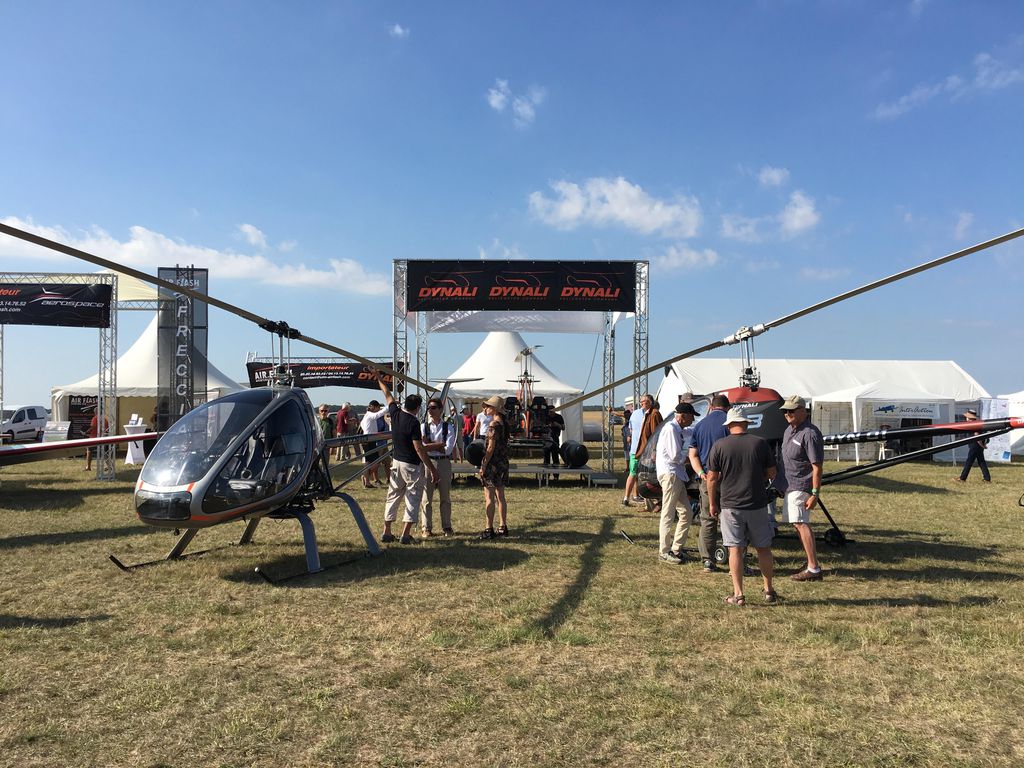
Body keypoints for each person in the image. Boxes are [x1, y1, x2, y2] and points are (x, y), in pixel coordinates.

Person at [706, 408, 779, 606]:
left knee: (735, 549)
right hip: (757, 503)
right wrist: (759, 477)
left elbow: (712, 478)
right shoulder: (760, 443)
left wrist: (712, 502)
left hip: (730, 504)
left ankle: (738, 594)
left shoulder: (719, 445)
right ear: (746, 423)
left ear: (729, 425)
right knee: (763, 548)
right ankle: (769, 590)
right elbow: (772, 473)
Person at [375, 374, 437, 545]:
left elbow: (387, 393)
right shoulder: (413, 423)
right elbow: (419, 448)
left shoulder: (395, 414)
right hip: (411, 466)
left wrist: (378, 377)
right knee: (412, 498)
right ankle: (405, 534)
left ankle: (387, 531)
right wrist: (432, 469)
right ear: (417, 408)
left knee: (393, 496)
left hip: (396, 462)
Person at [779, 395, 826, 582]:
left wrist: (815, 493)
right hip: (790, 485)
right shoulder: (788, 430)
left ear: (803, 411)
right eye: (785, 411)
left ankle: (813, 568)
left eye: (791, 410)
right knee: (796, 523)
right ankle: (810, 563)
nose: (787, 414)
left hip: (801, 485)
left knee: (800, 523)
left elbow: (817, 467)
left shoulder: (810, 433)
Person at [689, 394, 731, 573]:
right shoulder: (730, 424)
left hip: (706, 479)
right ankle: (735, 557)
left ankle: (708, 559)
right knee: (731, 519)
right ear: (728, 408)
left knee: (707, 518)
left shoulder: (700, 426)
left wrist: (701, 473)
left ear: (711, 407)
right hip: (728, 479)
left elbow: (693, 454)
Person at [656, 402, 698, 564]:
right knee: (668, 513)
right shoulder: (671, 429)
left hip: (676, 475)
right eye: (691, 417)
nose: (693, 420)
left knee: (686, 512)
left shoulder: (677, 429)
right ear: (683, 416)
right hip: (671, 475)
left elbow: (690, 431)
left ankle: (676, 549)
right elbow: (675, 456)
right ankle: (664, 551)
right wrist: (692, 459)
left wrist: (704, 427)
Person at [420, 396, 457, 537]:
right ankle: (426, 527)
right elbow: (422, 448)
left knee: (445, 497)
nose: (430, 410)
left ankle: (447, 526)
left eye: (433, 408)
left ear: (441, 410)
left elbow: (448, 449)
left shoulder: (448, 426)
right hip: (428, 462)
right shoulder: (423, 426)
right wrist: (439, 445)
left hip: (443, 462)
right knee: (426, 497)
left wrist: (429, 445)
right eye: (429, 408)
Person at [477, 394, 510, 539]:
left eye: (488, 406)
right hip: (502, 462)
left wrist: (484, 464)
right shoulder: (504, 424)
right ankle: (503, 526)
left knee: (489, 497)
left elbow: (490, 448)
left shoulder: (493, 425)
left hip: (493, 464)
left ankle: (488, 528)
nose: (485, 408)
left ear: (495, 409)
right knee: (501, 496)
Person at [622, 394, 653, 506]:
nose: (642, 403)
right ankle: (626, 498)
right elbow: (631, 430)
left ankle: (642, 498)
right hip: (636, 451)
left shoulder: (653, 414)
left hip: (647, 451)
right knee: (633, 473)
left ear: (650, 402)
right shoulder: (635, 414)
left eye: (644, 401)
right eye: (641, 401)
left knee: (645, 475)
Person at [955, 409, 991, 483]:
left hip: (975, 445)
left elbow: (977, 435)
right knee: (981, 462)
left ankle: (962, 478)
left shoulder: (973, 424)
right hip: (978, 446)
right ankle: (987, 478)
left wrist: (982, 445)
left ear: (969, 418)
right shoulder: (977, 423)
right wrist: (983, 445)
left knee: (969, 462)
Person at [359, 399, 385, 488]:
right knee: (372, 462)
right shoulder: (370, 415)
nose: (379, 410)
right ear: (374, 407)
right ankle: (366, 480)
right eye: (378, 408)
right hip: (368, 441)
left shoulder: (367, 416)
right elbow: (378, 414)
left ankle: (366, 480)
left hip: (370, 440)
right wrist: (390, 405)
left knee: (370, 462)